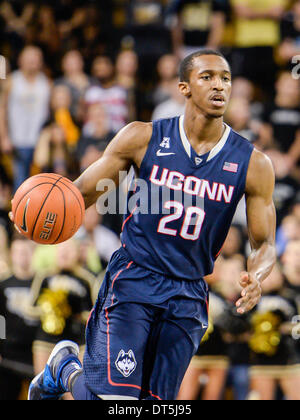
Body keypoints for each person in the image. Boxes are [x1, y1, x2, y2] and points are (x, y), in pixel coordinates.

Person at [26, 49, 276, 401]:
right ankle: (64, 368)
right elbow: (78, 195)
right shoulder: (142, 137)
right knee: (115, 401)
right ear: (184, 87)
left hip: (189, 292)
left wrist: (258, 276)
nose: (219, 85)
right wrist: (34, 219)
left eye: (225, 78)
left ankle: (65, 367)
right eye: (207, 77)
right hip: (134, 279)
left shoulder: (253, 162)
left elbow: (264, 244)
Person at [0, 46, 51, 191]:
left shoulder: (46, 83)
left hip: (40, 142)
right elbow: (2, 110)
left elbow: (50, 113)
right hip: (17, 141)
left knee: (40, 185)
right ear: (21, 60)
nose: (32, 62)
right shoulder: (11, 81)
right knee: (20, 184)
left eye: (36, 59)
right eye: (29, 59)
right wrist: (4, 137)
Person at [0, 236, 39, 400]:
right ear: (11, 254)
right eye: (19, 252)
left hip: (36, 350)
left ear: (33, 253)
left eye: (27, 251)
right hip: (9, 352)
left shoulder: (42, 282)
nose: (23, 256)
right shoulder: (3, 284)